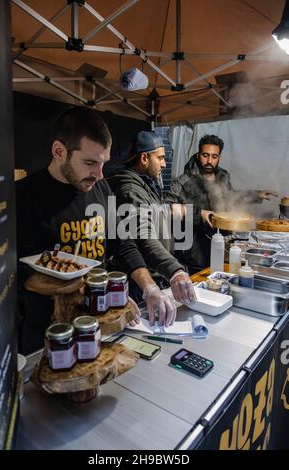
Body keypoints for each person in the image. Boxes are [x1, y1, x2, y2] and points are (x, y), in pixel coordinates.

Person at [16, 107, 176, 354]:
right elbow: (24, 274)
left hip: (97, 324)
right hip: (49, 335)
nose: (99, 174)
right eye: (90, 163)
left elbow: (122, 243)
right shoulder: (24, 197)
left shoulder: (101, 189)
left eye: (103, 163)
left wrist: (148, 287)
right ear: (59, 151)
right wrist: (103, 295)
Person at [165, 134, 278, 273]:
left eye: (214, 156)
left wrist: (256, 195)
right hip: (194, 252)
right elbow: (167, 209)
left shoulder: (222, 177)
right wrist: (198, 213)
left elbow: (231, 198)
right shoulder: (182, 182)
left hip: (221, 245)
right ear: (198, 154)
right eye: (205, 155)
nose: (209, 161)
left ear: (219, 157)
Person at [107, 131, 196, 304]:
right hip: (140, 284)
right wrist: (174, 270)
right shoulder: (130, 190)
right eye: (160, 158)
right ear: (144, 158)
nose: (164, 164)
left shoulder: (145, 183)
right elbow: (143, 235)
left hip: (156, 274)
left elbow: (150, 214)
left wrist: (167, 210)